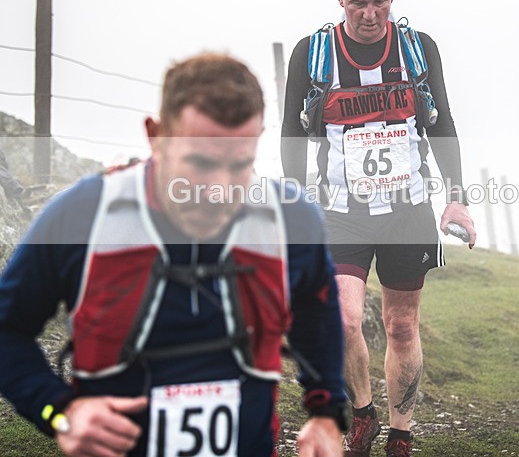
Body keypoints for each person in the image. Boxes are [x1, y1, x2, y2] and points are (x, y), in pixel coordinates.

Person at [0, 52, 348, 456]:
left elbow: (318, 312)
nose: (219, 190)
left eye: (240, 165)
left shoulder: (291, 220)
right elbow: (7, 328)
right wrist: (59, 412)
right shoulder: (82, 216)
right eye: (200, 163)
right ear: (155, 134)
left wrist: (326, 412)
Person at [281, 0, 475, 457]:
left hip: (408, 208)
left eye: (380, 3)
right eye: (358, 4)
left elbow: (443, 124)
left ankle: (401, 434)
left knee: (401, 324)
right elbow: (291, 132)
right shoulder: (313, 52)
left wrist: (457, 199)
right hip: (341, 210)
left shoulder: (417, 49)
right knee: (344, 319)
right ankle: (363, 413)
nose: (370, 15)